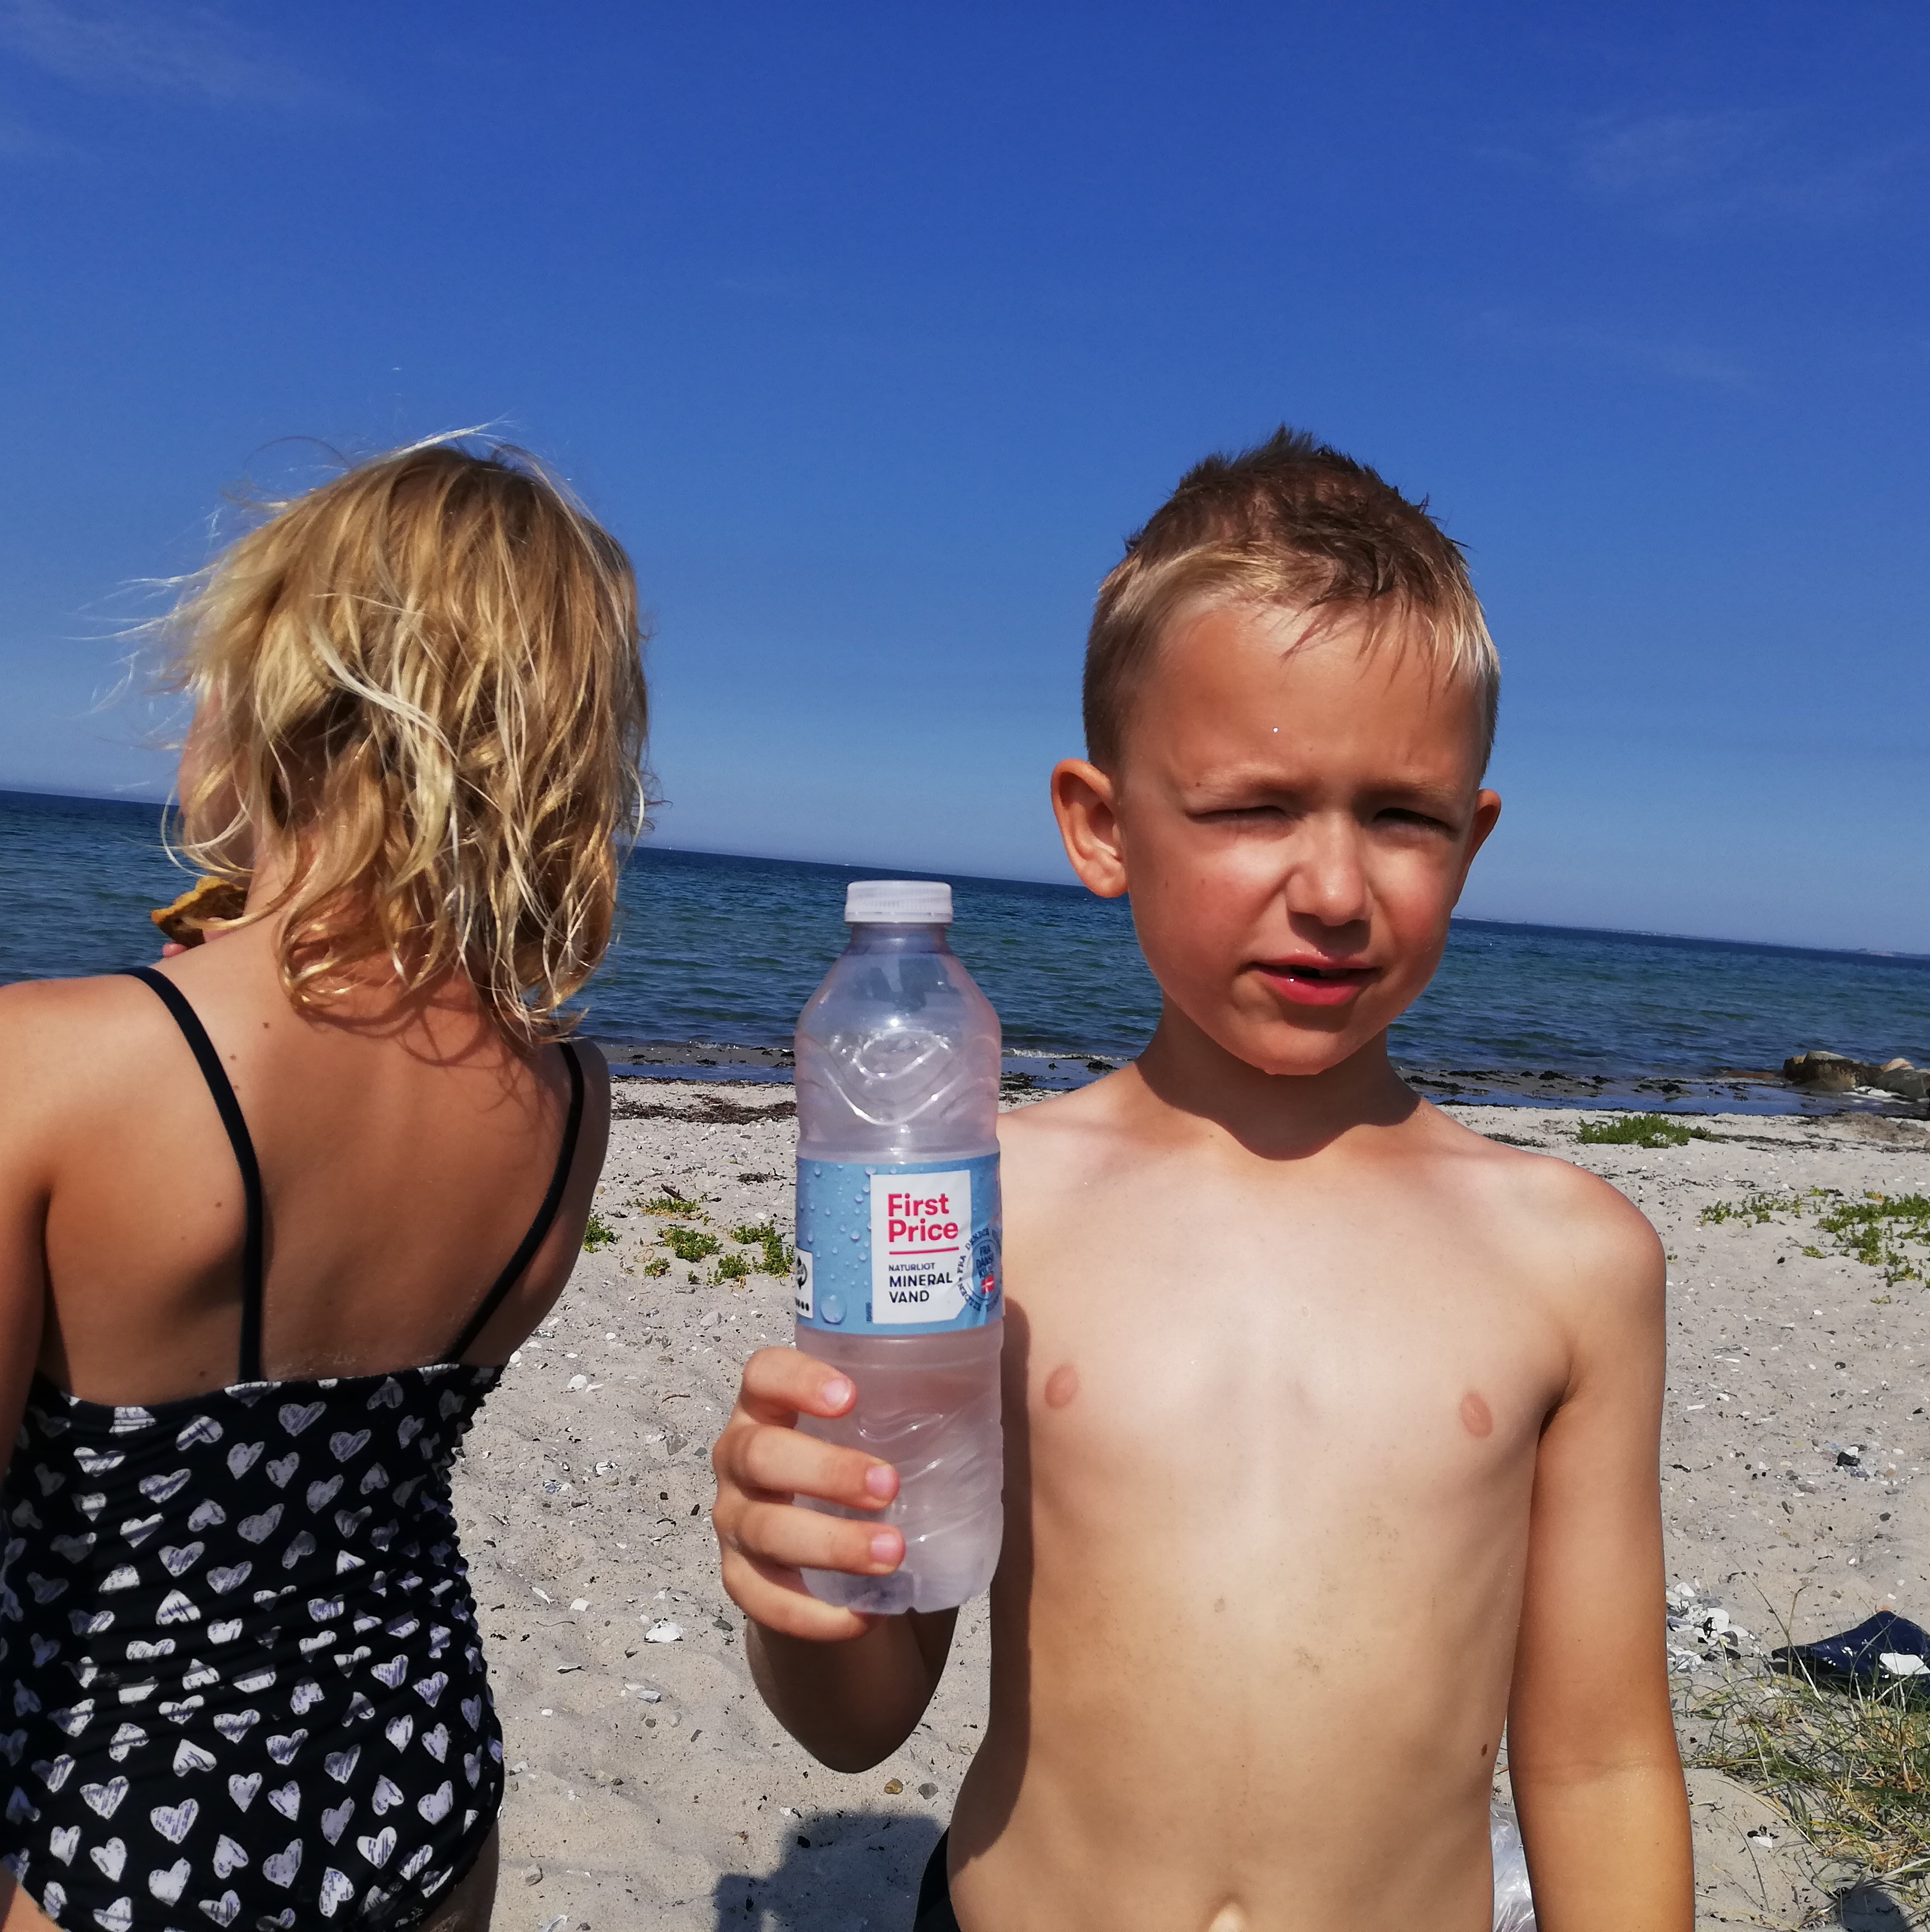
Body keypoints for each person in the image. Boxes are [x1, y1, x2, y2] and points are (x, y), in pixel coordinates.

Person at [712, 430, 1691, 1930]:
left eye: (1404, 816)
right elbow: (865, 1721)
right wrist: (804, 1585)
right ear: (1104, 827)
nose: (1336, 889)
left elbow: (1603, 1762)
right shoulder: (994, 1210)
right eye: (1253, 809)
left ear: (1473, 840)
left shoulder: (1570, 1260)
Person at [0, 438, 645, 1932]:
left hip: (124, 1841)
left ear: (291, 699)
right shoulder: (568, 1100)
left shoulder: (29, 1065)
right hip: (423, 1801)